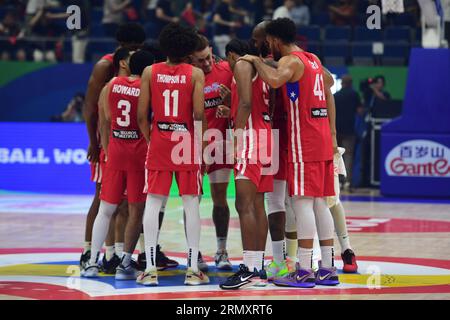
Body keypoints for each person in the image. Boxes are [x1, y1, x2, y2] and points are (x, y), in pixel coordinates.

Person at [240, 18, 339, 288]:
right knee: (320, 203)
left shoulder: (290, 62)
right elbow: (328, 82)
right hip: (320, 139)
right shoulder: (312, 59)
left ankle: (304, 269)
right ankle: (328, 267)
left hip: (303, 141)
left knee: (303, 203)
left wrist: (255, 60)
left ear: (273, 40)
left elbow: (273, 80)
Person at [136, 23, 209, 286]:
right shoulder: (195, 74)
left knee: (154, 202)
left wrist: (152, 138)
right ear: (188, 48)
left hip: (160, 141)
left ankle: (150, 268)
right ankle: (192, 269)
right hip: (186, 142)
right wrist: (201, 145)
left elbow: (141, 116)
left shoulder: (149, 71)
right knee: (191, 203)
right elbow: (199, 114)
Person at [81, 49, 154, 279]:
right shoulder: (147, 88)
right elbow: (146, 119)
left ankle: (92, 263)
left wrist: (107, 148)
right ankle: (124, 265)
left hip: (114, 153)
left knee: (106, 209)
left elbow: (104, 121)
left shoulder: (111, 84)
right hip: (139, 155)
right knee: (136, 210)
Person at [219, 38, 273, 290]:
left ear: (231, 55)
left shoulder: (241, 64)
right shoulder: (260, 67)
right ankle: (258, 268)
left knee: (244, 204)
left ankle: (249, 268)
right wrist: (231, 100)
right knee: (257, 204)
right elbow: (253, 101)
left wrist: (236, 136)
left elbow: (246, 104)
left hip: (250, 139)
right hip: (266, 136)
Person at [189, 34, 234, 271]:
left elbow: (247, 100)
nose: (207, 64)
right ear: (190, 59)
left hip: (220, 145)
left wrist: (232, 102)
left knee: (220, 200)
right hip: (191, 146)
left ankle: (221, 251)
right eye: (200, 60)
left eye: (208, 58)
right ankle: (193, 253)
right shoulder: (187, 77)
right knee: (192, 203)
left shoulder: (227, 69)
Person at [334, 74, 363, 187]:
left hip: (336, 131)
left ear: (341, 83)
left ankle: (336, 181)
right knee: (348, 156)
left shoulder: (335, 95)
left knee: (336, 156)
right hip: (349, 130)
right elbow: (360, 111)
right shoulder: (354, 95)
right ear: (351, 83)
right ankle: (347, 181)